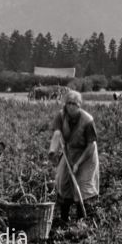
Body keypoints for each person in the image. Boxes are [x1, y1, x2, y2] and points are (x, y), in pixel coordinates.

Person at [48, 90, 99, 222]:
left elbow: (91, 145)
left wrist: (78, 164)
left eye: (74, 104)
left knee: (81, 185)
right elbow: (57, 134)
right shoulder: (61, 115)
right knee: (63, 182)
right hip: (69, 151)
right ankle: (65, 218)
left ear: (79, 105)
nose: (70, 106)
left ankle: (81, 220)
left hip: (86, 154)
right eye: (68, 103)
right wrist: (52, 151)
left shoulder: (87, 120)